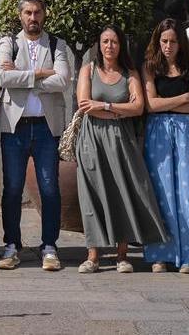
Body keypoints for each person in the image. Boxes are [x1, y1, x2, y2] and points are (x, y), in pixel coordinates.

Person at [74, 26, 168, 273]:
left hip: (121, 140)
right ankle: (92, 255)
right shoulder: (88, 70)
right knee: (92, 192)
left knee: (123, 191)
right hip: (92, 139)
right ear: (99, 44)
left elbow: (138, 107)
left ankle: (122, 255)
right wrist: (118, 108)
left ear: (120, 45)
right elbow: (85, 105)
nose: (109, 46)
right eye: (105, 41)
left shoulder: (130, 73)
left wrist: (104, 104)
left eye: (114, 42)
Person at [0, 0, 72, 271]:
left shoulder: (56, 43)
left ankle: (49, 246)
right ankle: (11, 245)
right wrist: (40, 74)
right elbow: (2, 77)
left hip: (45, 126)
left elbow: (62, 79)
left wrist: (23, 76)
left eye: (37, 12)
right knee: (12, 189)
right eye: (28, 13)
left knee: (50, 188)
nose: (33, 18)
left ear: (44, 15)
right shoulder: (8, 43)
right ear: (20, 15)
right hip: (14, 127)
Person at [140, 19, 189, 273]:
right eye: (164, 41)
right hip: (158, 132)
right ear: (158, 42)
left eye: (173, 41)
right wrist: (183, 97)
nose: (168, 46)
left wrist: (168, 102)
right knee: (162, 191)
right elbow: (151, 105)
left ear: (181, 43)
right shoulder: (150, 67)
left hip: (188, 131)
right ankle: (161, 254)